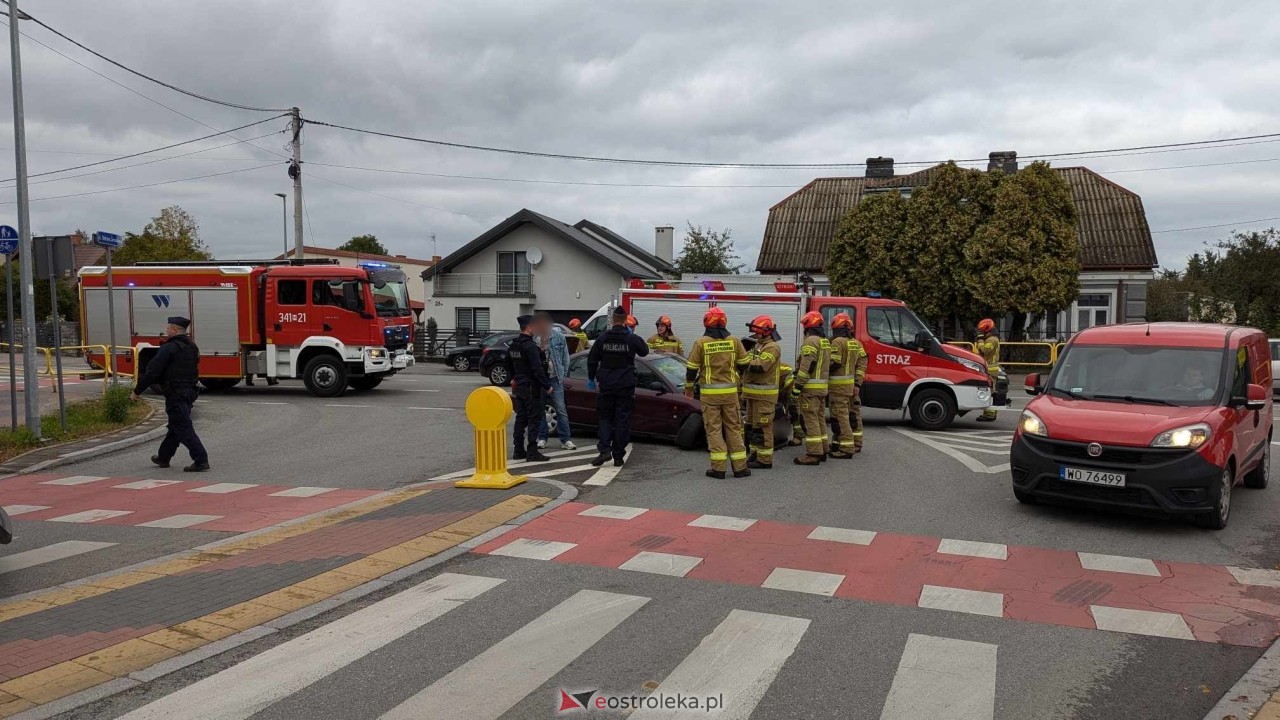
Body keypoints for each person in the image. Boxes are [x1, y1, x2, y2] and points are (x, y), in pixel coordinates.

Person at [132, 316, 210, 472]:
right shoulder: (192, 347)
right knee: (176, 425)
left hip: (175, 393)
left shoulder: (168, 348)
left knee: (183, 427)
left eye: (168, 328)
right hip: (190, 392)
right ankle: (163, 457)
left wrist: (137, 390)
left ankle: (201, 459)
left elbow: (152, 371)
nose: (165, 330)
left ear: (174, 330)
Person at [685, 307, 750, 479]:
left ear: (706, 322)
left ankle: (719, 469)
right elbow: (744, 365)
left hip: (710, 396)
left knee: (714, 430)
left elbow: (691, 369)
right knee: (734, 429)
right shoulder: (734, 341)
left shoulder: (701, 343)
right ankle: (740, 468)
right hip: (730, 394)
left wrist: (689, 388)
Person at [587, 306, 650, 466]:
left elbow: (592, 360)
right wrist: (632, 335)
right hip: (625, 385)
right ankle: (618, 456)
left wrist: (590, 378)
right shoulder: (631, 338)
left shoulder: (602, 338)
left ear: (612, 320)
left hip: (606, 385)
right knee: (622, 420)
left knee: (604, 419)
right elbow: (644, 351)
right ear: (625, 321)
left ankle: (604, 450)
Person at [509, 314, 553, 462]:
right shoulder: (530, 346)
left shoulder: (514, 345)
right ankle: (532, 452)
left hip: (519, 387)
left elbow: (510, 367)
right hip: (531, 387)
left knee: (520, 419)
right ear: (528, 327)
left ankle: (518, 450)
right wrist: (547, 386)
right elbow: (537, 369)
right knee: (534, 419)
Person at [742, 315, 782, 470]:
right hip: (753, 395)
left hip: (764, 396)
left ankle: (765, 460)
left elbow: (761, 366)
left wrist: (742, 362)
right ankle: (755, 454)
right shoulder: (758, 344)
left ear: (766, 331)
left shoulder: (772, 347)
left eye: (758, 331)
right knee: (753, 426)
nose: (755, 334)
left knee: (763, 427)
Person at [793, 310, 831, 465]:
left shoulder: (810, 342)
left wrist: (797, 388)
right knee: (819, 418)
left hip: (810, 389)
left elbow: (806, 367)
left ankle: (813, 454)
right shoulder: (825, 341)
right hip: (822, 388)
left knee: (810, 420)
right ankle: (823, 449)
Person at [828, 312, 868, 457]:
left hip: (838, 387)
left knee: (840, 416)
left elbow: (834, 362)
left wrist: (820, 369)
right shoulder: (857, 343)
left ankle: (846, 448)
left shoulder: (837, 342)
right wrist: (857, 383)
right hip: (852, 386)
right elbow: (862, 364)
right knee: (853, 415)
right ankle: (855, 443)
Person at [537, 313, 576, 450]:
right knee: (540, 408)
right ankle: (542, 438)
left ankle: (565, 439)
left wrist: (563, 374)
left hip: (555, 378)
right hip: (541, 379)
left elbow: (565, 357)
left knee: (561, 409)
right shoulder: (536, 338)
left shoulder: (558, 337)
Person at [975, 318, 1001, 422]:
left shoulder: (991, 340)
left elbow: (984, 351)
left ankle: (990, 415)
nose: (980, 333)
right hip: (989, 368)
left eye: (982, 332)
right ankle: (988, 413)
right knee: (989, 391)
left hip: (990, 369)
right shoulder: (992, 338)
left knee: (990, 392)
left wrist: (980, 340)